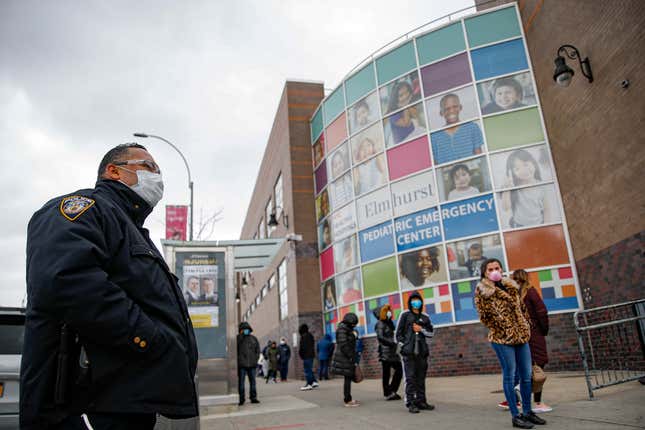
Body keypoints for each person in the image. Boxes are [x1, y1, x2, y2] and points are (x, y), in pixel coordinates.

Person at [21, 143, 198, 429]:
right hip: (88, 405)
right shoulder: (83, 208)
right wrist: (149, 338)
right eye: (149, 167)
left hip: (125, 399)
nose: (158, 177)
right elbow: (65, 281)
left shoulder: (132, 230)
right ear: (114, 171)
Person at [474, 258, 546, 428]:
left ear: (501, 269)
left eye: (497, 267)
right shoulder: (482, 291)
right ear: (485, 272)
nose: (494, 271)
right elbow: (484, 317)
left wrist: (526, 327)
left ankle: (528, 412)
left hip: (521, 337)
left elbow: (522, 310)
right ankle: (516, 416)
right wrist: (504, 328)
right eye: (490, 269)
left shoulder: (511, 286)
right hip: (502, 339)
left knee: (527, 376)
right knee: (509, 374)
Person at [513, 269, 551, 413]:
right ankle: (537, 402)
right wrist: (544, 330)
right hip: (534, 335)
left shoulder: (515, 296)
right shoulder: (531, 292)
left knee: (527, 368)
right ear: (526, 278)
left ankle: (523, 398)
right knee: (538, 368)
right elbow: (542, 312)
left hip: (521, 336)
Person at [396, 291, 435, 413]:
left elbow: (431, 333)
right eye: (413, 300)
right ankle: (410, 403)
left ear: (421, 302)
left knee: (421, 378)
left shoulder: (425, 317)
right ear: (410, 302)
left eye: (417, 300)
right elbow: (398, 334)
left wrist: (421, 329)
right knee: (410, 378)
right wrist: (403, 347)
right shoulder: (405, 315)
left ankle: (421, 401)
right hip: (409, 352)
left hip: (422, 352)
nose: (415, 302)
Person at [502, 149, 553, 228]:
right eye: (517, 169)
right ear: (513, 173)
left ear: (534, 163)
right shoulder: (514, 188)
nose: (523, 171)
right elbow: (506, 208)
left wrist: (547, 226)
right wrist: (506, 189)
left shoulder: (541, 186)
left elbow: (546, 209)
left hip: (539, 224)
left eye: (526, 164)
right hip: (519, 226)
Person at [431, 93, 483, 165]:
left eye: (455, 107)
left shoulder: (472, 127)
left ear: (460, 107)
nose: (451, 111)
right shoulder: (434, 137)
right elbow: (435, 164)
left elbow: (479, 158)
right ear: (441, 112)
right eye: (447, 109)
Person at [330, 313, 360, 407]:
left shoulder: (347, 329)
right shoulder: (342, 329)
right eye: (353, 324)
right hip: (345, 357)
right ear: (349, 322)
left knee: (348, 377)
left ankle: (348, 398)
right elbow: (343, 345)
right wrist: (351, 356)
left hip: (347, 356)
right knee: (347, 378)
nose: (354, 326)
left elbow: (350, 341)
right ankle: (347, 400)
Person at [374, 304, 403, 401]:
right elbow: (380, 337)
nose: (390, 313)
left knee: (399, 370)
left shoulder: (388, 323)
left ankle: (391, 390)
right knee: (386, 374)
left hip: (393, 352)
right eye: (387, 311)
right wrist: (392, 343)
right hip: (385, 352)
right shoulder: (380, 324)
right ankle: (388, 393)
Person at [237, 322, 261, 406]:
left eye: (247, 329)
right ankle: (241, 399)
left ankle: (253, 398)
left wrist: (256, 359)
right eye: (244, 329)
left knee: (253, 382)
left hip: (252, 364)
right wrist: (241, 336)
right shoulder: (238, 339)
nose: (246, 331)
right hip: (242, 365)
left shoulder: (253, 339)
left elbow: (258, 350)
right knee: (241, 383)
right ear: (241, 330)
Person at [298, 324, 319, 390]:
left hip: (306, 356)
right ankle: (314, 382)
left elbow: (302, 348)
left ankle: (309, 384)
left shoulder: (303, 337)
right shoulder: (310, 335)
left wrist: (301, 354)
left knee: (307, 370)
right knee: (309, 369)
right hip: (311, 355)